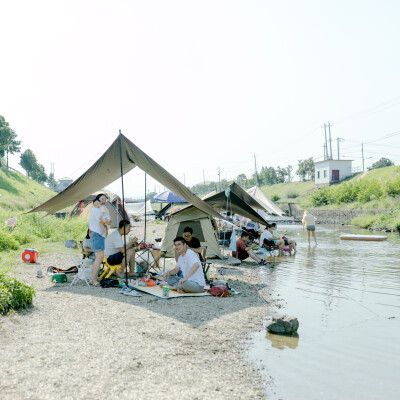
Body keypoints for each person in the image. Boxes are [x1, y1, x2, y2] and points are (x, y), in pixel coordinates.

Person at [89, 193, 108, 286]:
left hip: (99, 236)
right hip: (97, 235)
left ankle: (95, 278)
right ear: (97, 200)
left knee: (99, 258)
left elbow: (107, 221)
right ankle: (93, 279)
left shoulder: (99, 209)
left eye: (105, 199)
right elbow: (104, 221)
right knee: (99, 258)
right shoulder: (96, 210)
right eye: (102, 199)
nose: (103, 201)